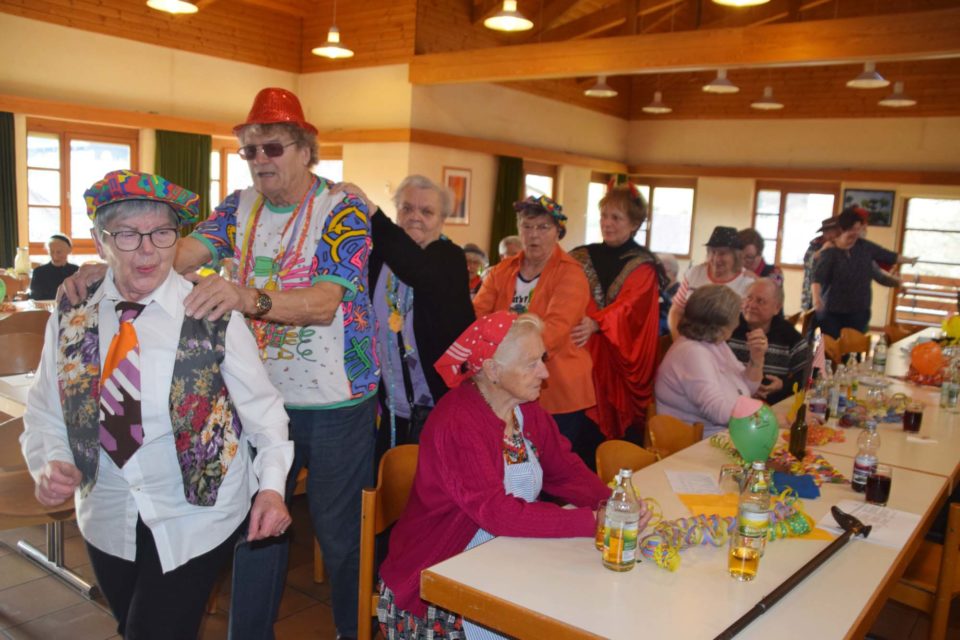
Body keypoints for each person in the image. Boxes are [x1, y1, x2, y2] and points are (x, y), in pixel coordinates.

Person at [63, 88, 377, 640]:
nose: (259, 160)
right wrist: (118, 262)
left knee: (340, 535)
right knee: (254, 532)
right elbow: (180, 252)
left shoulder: (341, 209)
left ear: (306, 150)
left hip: (334, 399)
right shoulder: (238, 206)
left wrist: (242, 296)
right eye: (249, 150)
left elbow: (326, 302)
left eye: (272, 147)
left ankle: (354, 633)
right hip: (255, 393)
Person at [21, 170, 293, 639]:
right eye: (128, 235)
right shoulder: (73, 312)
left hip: (197, 514)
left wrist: (271, 488)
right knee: (134, 626)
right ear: (100, 241)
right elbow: (46, 410)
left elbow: (264, 412)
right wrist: (51, 461)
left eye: (162, 233)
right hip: (107, 511)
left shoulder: (211, 311)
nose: (148, 251)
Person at [378, 311, 650, 638]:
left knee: (582, 602)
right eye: (531, 363)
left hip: (504, 553)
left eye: (542, 359)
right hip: (436, 580)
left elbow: (566, 473)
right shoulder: (458, 422)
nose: (544, 372)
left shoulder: (525, 409)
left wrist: (615, 504)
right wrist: (593, 521)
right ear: (492, 369)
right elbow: (497, 513)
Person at [339, 175, 475, 463]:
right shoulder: (381, 257)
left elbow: (417, 269)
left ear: (442, 220)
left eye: (427, 211)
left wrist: (373, 213)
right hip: (391, 405)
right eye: (407, 208)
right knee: (387, 481)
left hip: (439, 408)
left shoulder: (448, 258)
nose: (415, 217)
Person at [473, 195, 596, 463]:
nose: (534, 234)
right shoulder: (501, 271)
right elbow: (478, 318)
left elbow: (554, 331)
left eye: (543, 227)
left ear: (558, 232)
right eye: (527, 226)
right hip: (507, 387)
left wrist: (504, 357)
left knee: (551, 468)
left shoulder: (571, 273)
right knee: (510, 465)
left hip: (557, 390)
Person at [569, 185, 666, 442]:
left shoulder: (643, 265)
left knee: (604, 440)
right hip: (581, 355)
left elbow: (630, 306)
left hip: (615, 359)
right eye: (604, 216)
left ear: (634, 224)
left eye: (616, 218)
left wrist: (597, 322)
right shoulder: (580, 256)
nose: (607, 223)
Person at [655, 284, 767, 439]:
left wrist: (757, 358)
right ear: (720, 326)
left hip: (725, 435)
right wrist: (763, 416)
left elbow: (748, 388)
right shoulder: (692, 353)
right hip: (697, 443)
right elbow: (718, 412)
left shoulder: (715, 342)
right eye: (736, 316)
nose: (738, 322)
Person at [812, 207, 915, 338]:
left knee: (854, 347)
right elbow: (817, 278)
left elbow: (885, 260)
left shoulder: (865, 247)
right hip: (833, 311)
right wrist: (816, 300)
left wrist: (908, 263)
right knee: (831, 347)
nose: (857, 233)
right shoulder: (829, 251)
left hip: (859, 310)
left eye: (859, 229)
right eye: (853, 229)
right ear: (843, 229)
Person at [728, 278, 810, 405]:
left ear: (777, 308)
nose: (751, 305)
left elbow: (808, 375)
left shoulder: (788, 335)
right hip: (731, 401)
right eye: (749, 298)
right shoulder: (728, 328)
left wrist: (783, 385)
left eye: (760, 301)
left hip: (773, 405)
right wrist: (744, 387)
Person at [667, 226, 755, 337]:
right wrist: (677, 338)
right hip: (688, 338)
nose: (716, 259)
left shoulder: (747, 283)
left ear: (736, 256)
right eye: (712, 252)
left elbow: (747, 322)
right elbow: (676, 310)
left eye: (722, 253)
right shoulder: (694, 273)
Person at [29, 233, 78, 300]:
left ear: (68, 251)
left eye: (59, 252)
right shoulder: (39, 272)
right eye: (51, 252)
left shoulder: (76, 271)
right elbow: (34, 297)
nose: (55, 256)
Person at [656, 252, 680, 336]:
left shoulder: (679, 294)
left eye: (661, 271)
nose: (658, 275)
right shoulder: (661, 292)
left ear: (673, 272)